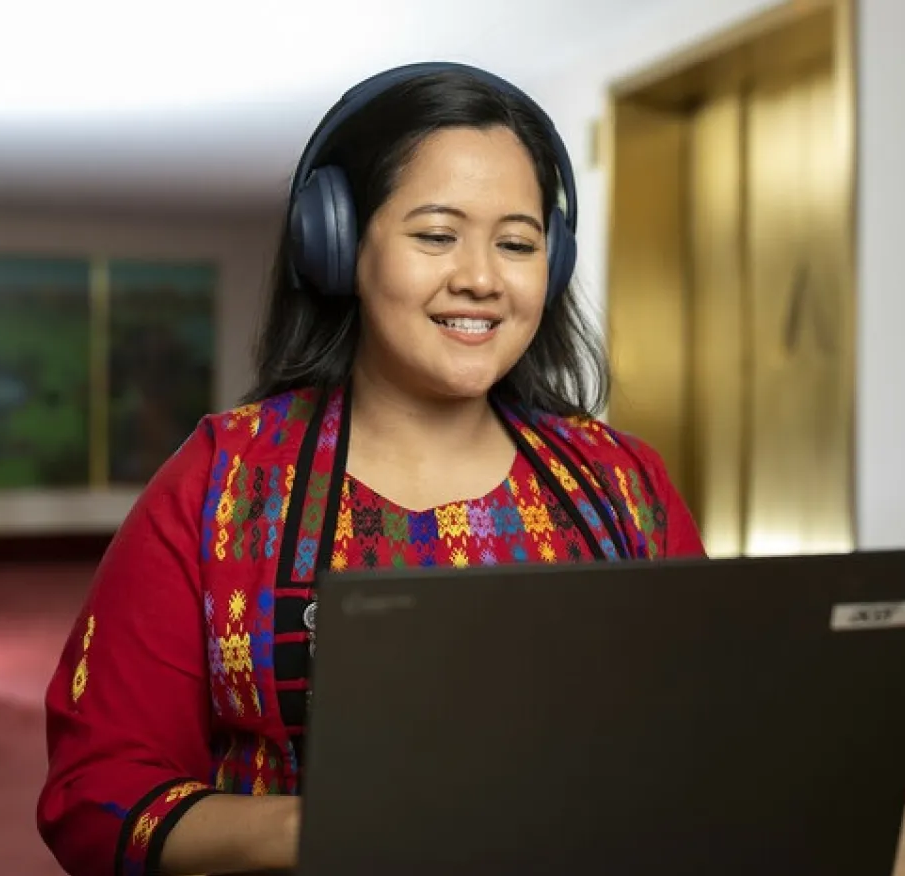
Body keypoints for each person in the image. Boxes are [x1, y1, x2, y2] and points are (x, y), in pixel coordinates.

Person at [36, 61, 706, 876]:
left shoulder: (622, 486)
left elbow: (698, 739)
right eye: (436, 234)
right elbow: (95, 794)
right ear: (339, 245)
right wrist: (319, 830)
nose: (482, 279)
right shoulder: (220, 483)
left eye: (517, 243)